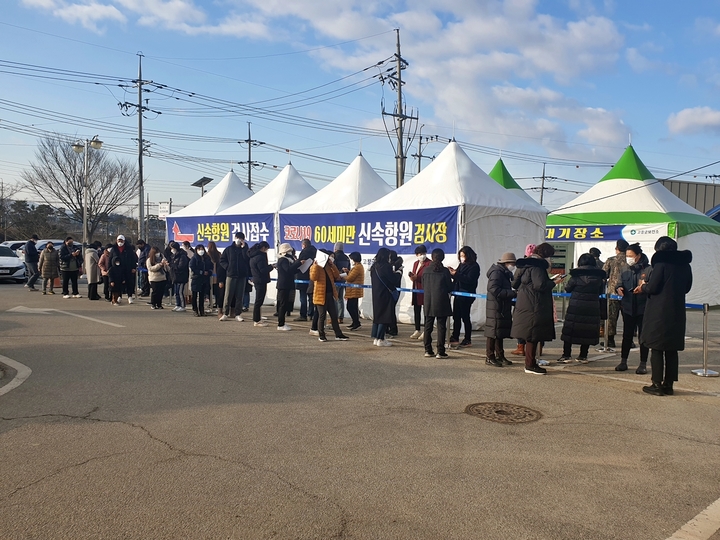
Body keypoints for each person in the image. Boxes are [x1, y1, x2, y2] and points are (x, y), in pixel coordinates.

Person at [640, 237, 693, 396]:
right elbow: (687, 287)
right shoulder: (685, 265)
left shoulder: (661, 265)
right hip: (676, 310)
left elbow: (653, 287)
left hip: (659, 311)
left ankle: (656, 384)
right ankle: (669, 385)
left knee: (656, 347)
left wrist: (643, 286)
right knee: (671, 349)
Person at [512, 243, 564, 375]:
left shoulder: (523, 264)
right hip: (535, 304)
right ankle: (530, 364)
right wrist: (554, 282)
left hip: (524, 302)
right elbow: (540, 285)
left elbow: (514, 283)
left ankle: (530, 363)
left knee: (530, 334)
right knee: (533, 335)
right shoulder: (538, 266)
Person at [558, 253, 605, 363]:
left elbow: (568, 288)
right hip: (592, 307)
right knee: (587, 330)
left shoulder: (576, 276)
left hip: (576, 306)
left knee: (570, 330)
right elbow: (601, 291)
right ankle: (583, 355)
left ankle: (566, 355)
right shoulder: (599, 277)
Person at [615, 243, 651, 373]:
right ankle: (623, 361)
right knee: (627, 336)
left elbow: (652, 287)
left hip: (643, 308)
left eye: (631, 256)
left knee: (643, 337)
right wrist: (618, 288)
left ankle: (643, 364)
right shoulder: (624, 269)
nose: (628, 258)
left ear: (638, 256)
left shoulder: (648, 269)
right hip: (628, 307)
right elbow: (619, 283)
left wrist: (643, 288)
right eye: (627, 256)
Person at [484, 252, 518, 367]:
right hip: (496, 306)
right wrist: (512, 293)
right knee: (493, 332)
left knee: (500, 332)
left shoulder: (504, 273)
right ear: (507, 263)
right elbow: (493, 289)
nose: (513, 266)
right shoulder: (497, 273)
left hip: (502, 306)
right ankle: (489, 356)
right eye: (512, 264)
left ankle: (500, 355)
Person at [310, 249, 349, 342]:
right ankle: (321, 335)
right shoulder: (315, 266)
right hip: (320, 295)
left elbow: (336, 276)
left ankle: (338, 334)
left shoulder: (328, 266)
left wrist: (332, 265)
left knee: (333, 315)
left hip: (329, 294)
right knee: (322, 315)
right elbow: (313, 277)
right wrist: (315, 266)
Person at [422, 248, 454, 359]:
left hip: (428, 301)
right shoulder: (444, 271)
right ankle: (440, 351)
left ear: (432, 257)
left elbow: (423, 284)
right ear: (442, 257)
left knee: (428, 326)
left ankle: (427, 349)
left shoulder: (425, 270)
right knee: (441, 327)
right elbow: (450, 287)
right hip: (441, 301)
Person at [449, 246, 481, 348]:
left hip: (466, 295)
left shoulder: (474, 266)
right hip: (458, 293)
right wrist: (452, 273)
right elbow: (458, 276)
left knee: (465, 317)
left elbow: (469, 280)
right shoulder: (461, 265)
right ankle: (455, 336)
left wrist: (456, 274)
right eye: (460, 255)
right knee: (456, 316)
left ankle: (468, 338)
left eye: (463, 255)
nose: (462, 257)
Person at [509, 243, 537, 356]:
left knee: (521, 322)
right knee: (536, 324)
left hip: (522, 298)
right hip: (537, 300)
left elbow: (515, 284)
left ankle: (520, 347)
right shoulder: (540, 266)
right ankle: (537, 349)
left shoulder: (521, 267)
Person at [602, 239, 629, 348]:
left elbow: (603, 274)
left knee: (611, 318)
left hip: (613, 293)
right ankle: (628, 340)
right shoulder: (630, 260)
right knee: (628, 318)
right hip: (628, 293)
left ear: (617, 248)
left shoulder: (611, 260)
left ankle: (610, 340)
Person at [219, 232, 250, 322]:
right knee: (228, 294)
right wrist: (228, 267)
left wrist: (244, 248)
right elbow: (222, 260)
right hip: (231, 275)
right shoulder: (229, 249)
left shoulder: (246, 249)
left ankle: (238, 314)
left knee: (240, 295)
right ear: (235, 238)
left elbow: (247, 259)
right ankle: (225, 313)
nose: (239, 240)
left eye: (241, 239)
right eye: (238, 238)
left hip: (242, 275)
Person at [369, 247, 396, 347]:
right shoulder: (386, 266)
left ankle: (376, 338)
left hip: (376, 294)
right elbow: (392, 280)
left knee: (378, 315)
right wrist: (398, 273)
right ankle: (380, 338)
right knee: (385, 316)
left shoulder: (374, 266)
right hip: (385, 294)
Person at [275, 243, 303, 331]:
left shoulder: (288, 260)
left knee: (285, 304)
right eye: (289, 251)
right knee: (282, 304)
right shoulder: (283, 260)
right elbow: (288, 270)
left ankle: (282, 322)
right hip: (283, 285)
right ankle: (280, 324)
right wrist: (298, 263)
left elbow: (292, 271)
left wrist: (299, 267)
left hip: (287, 284)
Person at [408, 245, 430, 340]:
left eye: (424, 253)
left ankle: (426, 331)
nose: (422, 255)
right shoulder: (416, 263)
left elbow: (428, 277)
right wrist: (412, 277)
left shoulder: (429, 263)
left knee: (426, 312)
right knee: (417, 310)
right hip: (416, 290)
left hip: (425, 290)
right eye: (420, 254)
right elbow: (415, 274)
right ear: (416, 255)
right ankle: (417, 329)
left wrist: (418, 278)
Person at [249, 241, 273, 327]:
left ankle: (258, 317)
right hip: (260, 280)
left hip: (257, 279)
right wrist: (272, 267)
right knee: (259, 301)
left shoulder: (253, 256)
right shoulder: (260, 257)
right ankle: (256, 320)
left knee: (259, 300)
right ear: (263, 248)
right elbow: (263, 270)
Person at [110, 235, 138, 304]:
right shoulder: (114, 249)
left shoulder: (129, 248)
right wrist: (109, 268)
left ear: (124, 241)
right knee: (118, 283)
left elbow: (133, 259)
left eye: (121, 241)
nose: (120, 242)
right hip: (117, 269)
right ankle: (119, 296)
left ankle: (130, 296)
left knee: (129, 282)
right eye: (119, 241)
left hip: (128, 268)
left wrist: (133, 267)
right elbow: (110, 259)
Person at [295, 239, 317, 322]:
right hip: (312, 277)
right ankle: (311, 314)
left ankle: (303, 315)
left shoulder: (303, 253)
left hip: (302, 277)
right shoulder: (315, 252)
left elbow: (299, 264)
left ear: (304, 245)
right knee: (311, 298)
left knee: (303, 298)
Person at [189, 244, 213, 317]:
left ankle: (201, 310)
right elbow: (192, 267)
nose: (201, 251)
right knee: (195, 295)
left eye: (202, 249)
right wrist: (201, 272)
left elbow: (211, 267)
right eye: (199, 249)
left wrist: (208, 272)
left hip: (205, 279)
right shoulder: (194, 258)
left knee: (202, 295)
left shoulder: (207, 258)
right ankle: (195, 310)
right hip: (196, 278)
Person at [344, 252, 364, 331]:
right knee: (353, 307)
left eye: (351, 259)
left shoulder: (357, 267)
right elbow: (352, 276)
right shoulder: (357, 267)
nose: (351, 260)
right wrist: (348, 272)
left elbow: (350, 278)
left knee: (350, 307)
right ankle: (355, 322)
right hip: (353, 290)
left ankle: (356, 322)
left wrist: (344, 276)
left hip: (354, 290)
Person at [169, 241, 189, 312]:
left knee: (180, 292)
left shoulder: (182, 256)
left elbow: (181, 266)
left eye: (172, 248)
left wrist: (172, 265)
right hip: (175, 276)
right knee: (176, 292)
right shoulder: (174, 256)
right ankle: (177, 304)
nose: (172, 250)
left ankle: (182, 306)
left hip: (181, 276)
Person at [333, 241, 350, 324]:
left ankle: (334, 317)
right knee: (340, 299)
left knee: (335, 299)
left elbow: (333, 268)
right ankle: (341, 317)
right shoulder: (346, 258)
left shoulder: (335, 257)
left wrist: (337, 275)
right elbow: (348, 270)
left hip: (336, 280)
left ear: (335, 248)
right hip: (343, 279)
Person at [207, 241, 222, 313]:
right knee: (217, 291)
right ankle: (217, 303)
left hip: (210, 274)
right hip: (218, 274)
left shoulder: (208, 254)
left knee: (210, 289)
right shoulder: (219, 254)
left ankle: (211, 303)